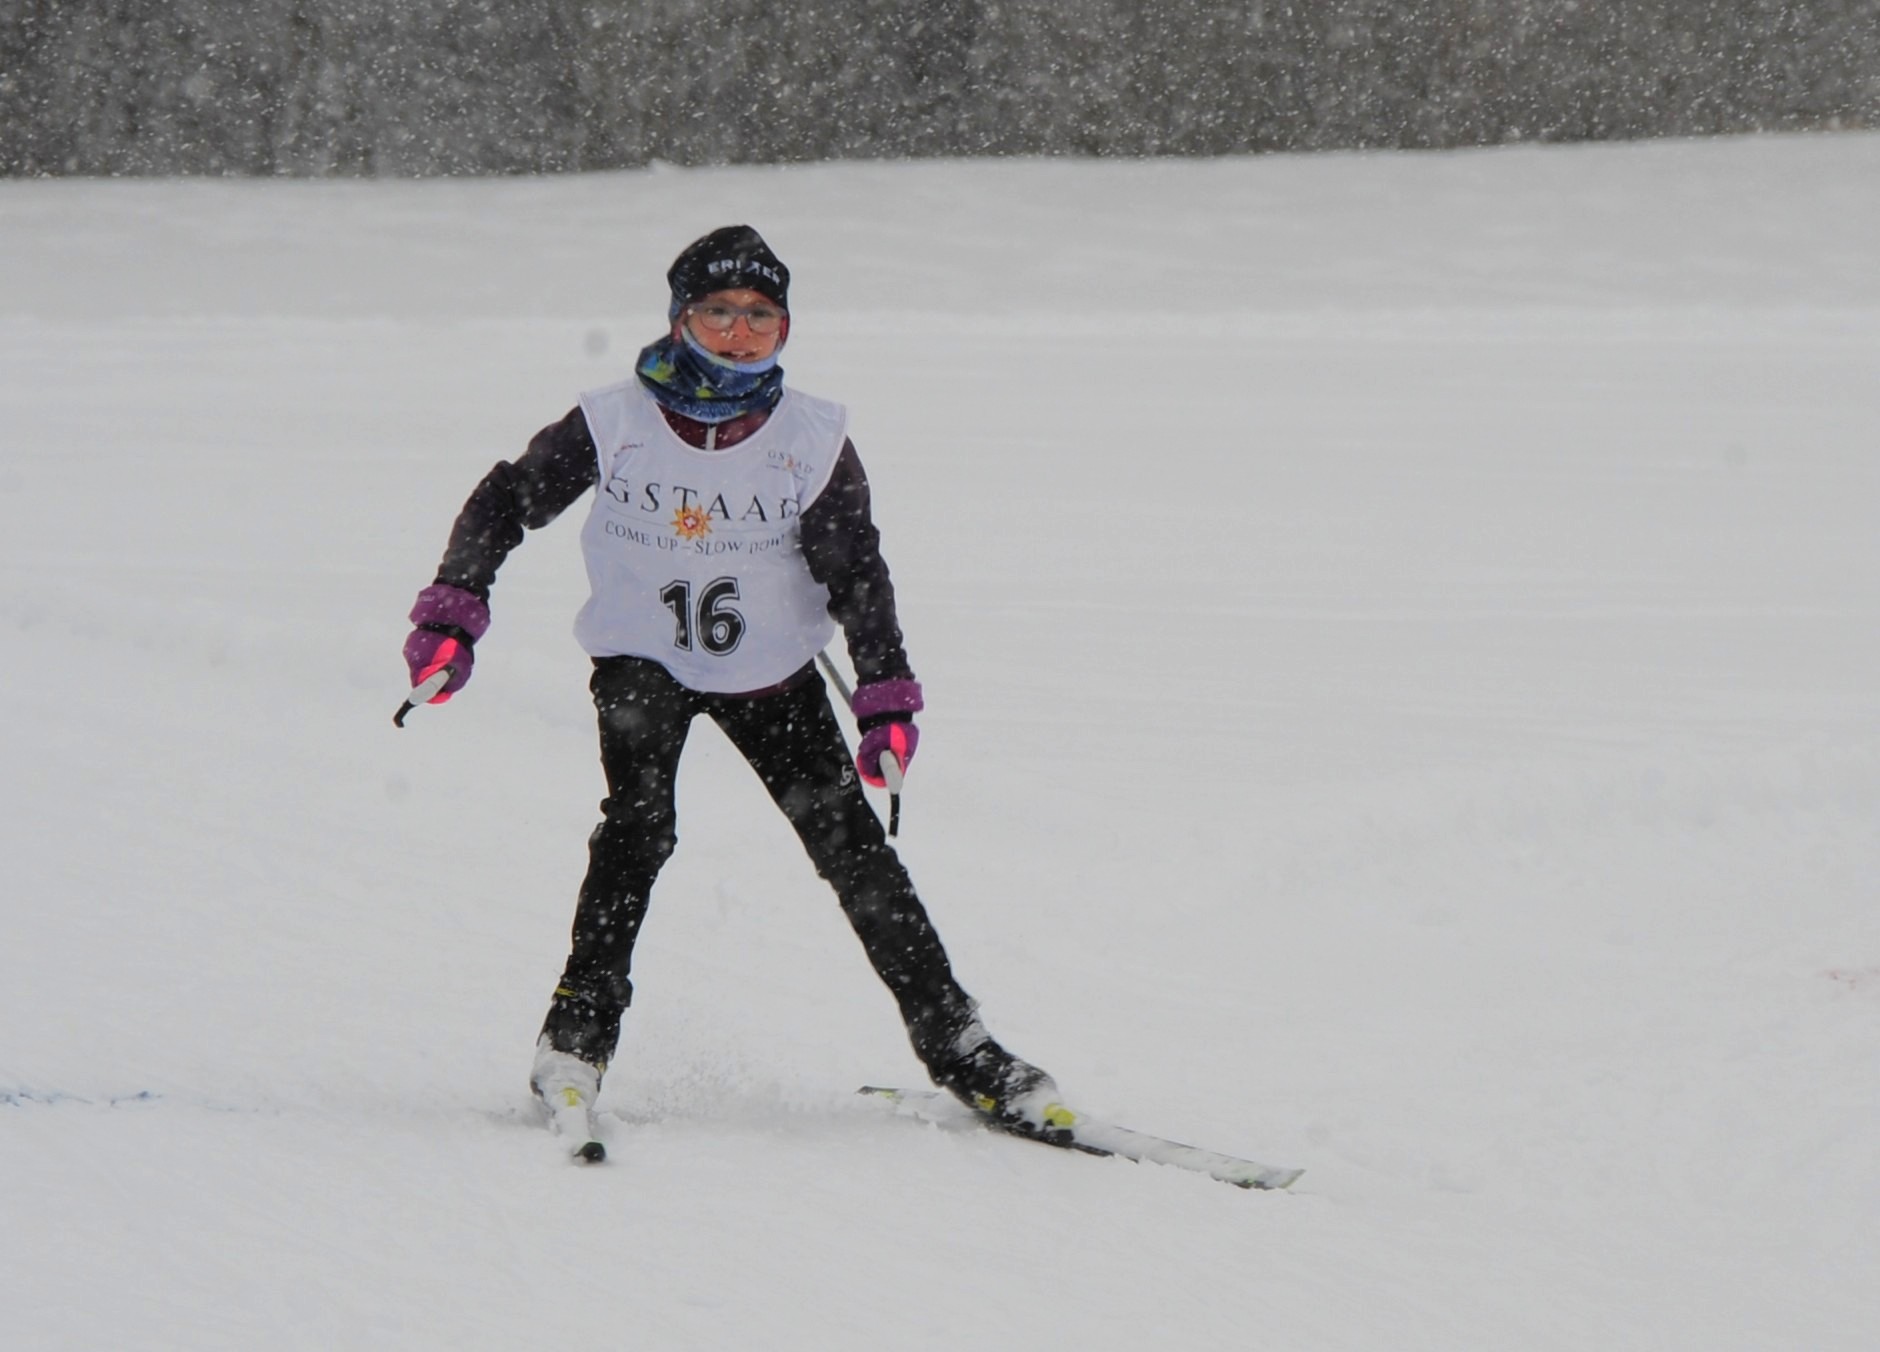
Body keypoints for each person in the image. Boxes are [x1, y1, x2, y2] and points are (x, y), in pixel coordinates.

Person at [402, 225, 1065, 1136]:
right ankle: (576, 1038)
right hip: (643, 662)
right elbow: (505, 501)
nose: (740, 333)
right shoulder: (613, 420)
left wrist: (885, 698)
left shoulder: (812, 438)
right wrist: (452, 615)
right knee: (638, 830)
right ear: (681, 318)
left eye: (761, 315)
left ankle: (962, 1047)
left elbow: (856, 573)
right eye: (718, 311)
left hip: (769, 677)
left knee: (853, 849)